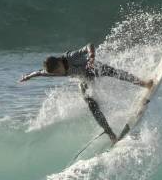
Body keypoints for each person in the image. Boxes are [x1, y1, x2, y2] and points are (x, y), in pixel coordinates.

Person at [19, 43, 153, 144]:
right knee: (91, 105)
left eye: (58, 70)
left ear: (60, 62)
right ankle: (111, 134)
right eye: (55, 73)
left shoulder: (70, 57)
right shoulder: (51, 71)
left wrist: (92, 57)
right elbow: (38, 72)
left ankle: (143, 83)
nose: (58, 73)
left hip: (92, 67)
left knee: (114, 73)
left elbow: (89, 46)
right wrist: (27, 77)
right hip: (83, 79)